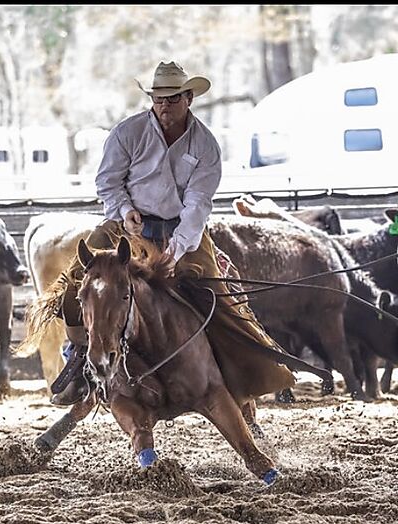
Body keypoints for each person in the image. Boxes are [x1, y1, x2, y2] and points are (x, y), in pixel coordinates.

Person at [49, 60, 295, 406]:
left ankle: (243, 369)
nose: (164, 105)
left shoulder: (205, 144)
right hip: (126, 227)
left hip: (182, 230)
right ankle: (78, 361)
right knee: (78, 283)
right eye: (158, 98)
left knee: (217, 295)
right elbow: (108, 182)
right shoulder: (127, 133)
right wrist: (125, 211)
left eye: (173, 98)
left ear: (189, 98)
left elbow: (198, 203)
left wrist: (176, 249)